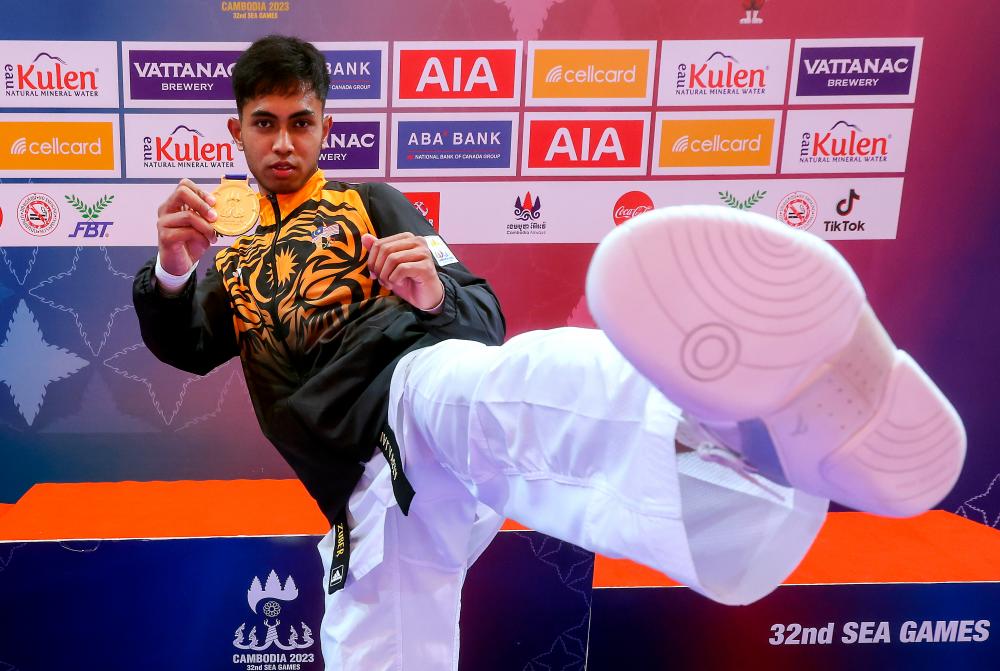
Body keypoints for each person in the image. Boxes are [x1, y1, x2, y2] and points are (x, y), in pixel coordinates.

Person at [132, 35, 966, 670]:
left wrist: (433, 294)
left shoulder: (370, 202)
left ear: (324, 125)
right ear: (237, 130)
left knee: (513, 392)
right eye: (265, 124)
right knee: (374, 646)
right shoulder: (225, 248)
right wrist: (172, 270)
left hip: (409, 388)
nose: (283, 142)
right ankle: (750, 469)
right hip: (356, 492)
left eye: (300, 122)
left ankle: (754, 424)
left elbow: (481, 313)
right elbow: (187, 346)